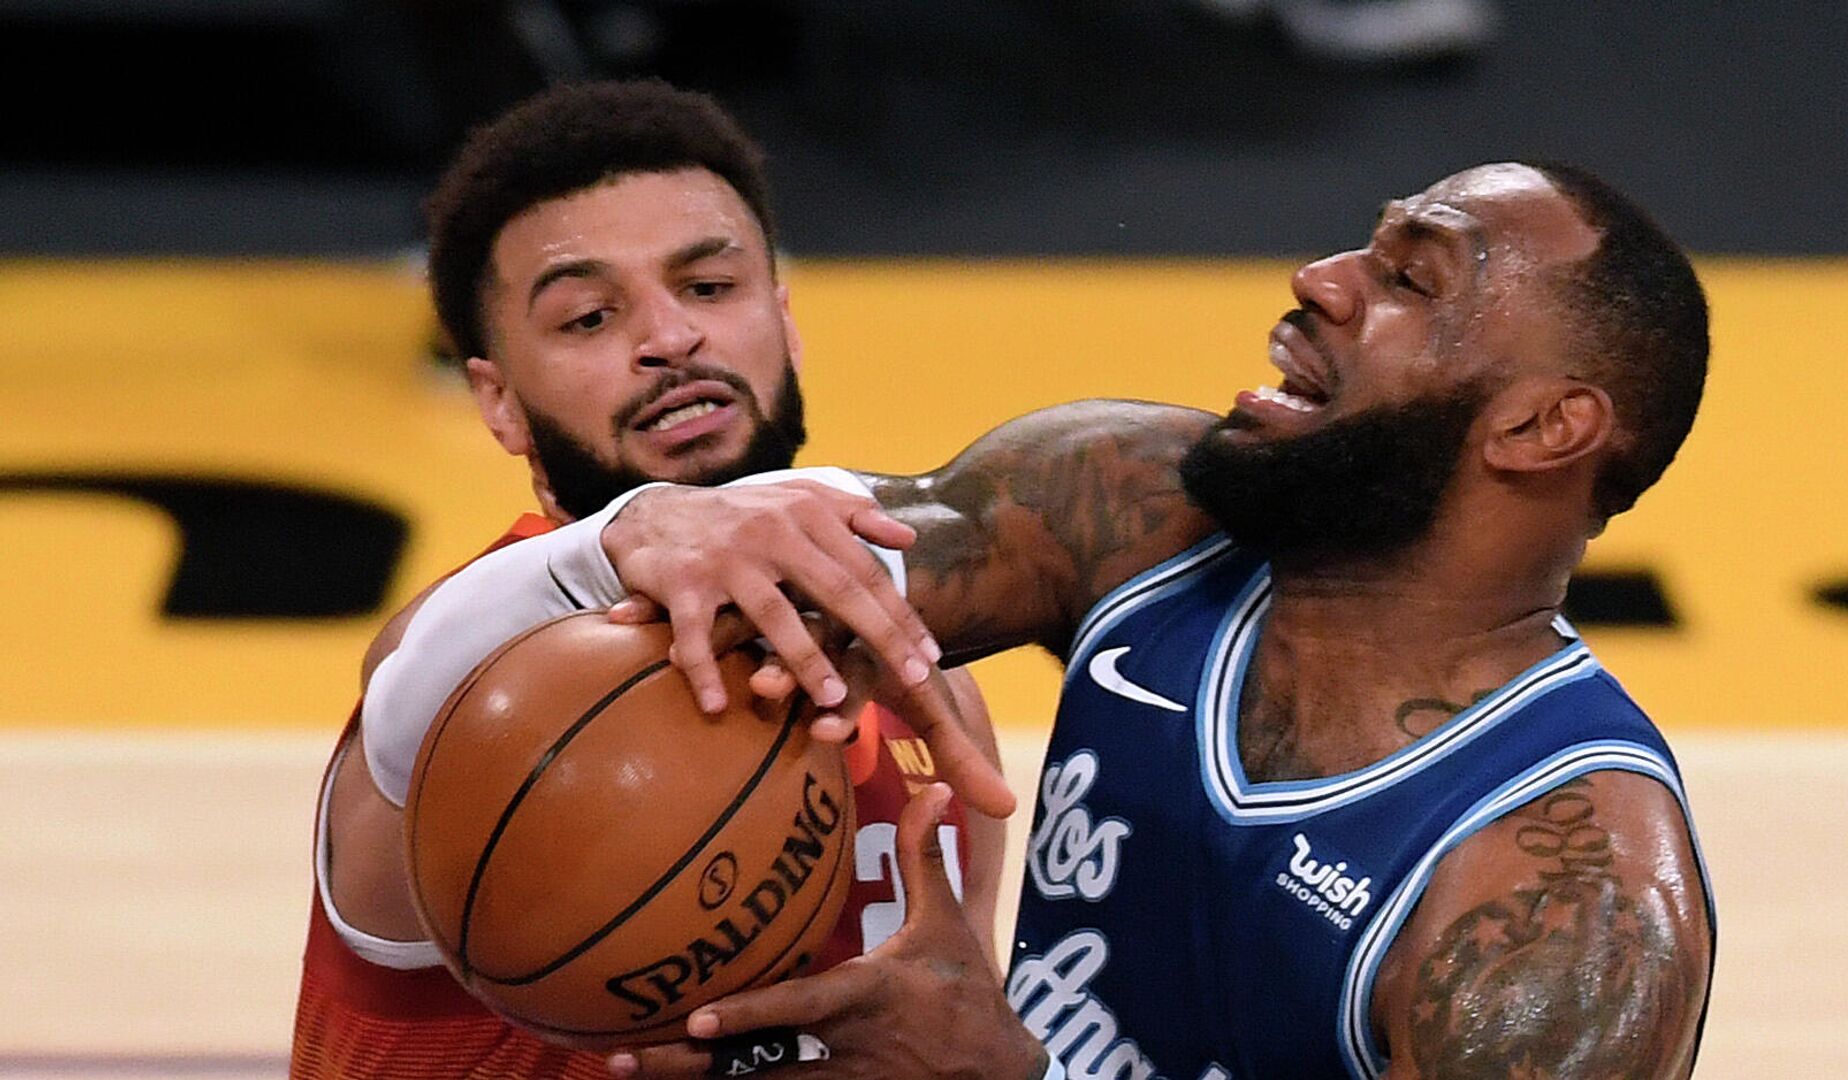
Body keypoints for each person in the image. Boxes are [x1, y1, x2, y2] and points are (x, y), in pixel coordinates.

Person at [385, 159, 1718, 1078]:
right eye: (1359, 247)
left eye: (1412, 282)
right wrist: (628, 534)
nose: (1318, 279)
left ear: (1547, 428)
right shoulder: (1132, 504)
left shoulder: (1566, 910)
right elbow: (717, 570)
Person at [289, 79, 1005, 1080]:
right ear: (498, 403)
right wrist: (625, 536)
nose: (670, 337)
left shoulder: (923, 687)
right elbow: (411, 677)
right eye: (588, 318)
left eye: (709, 288)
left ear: (787, 324)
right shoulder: (480, 680)